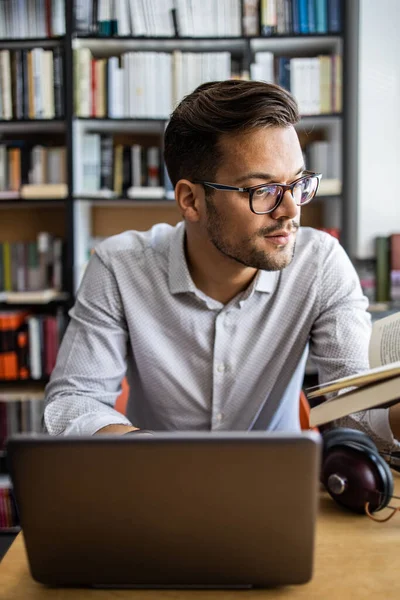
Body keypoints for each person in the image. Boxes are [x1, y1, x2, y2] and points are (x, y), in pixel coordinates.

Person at [44, 79, 400, 452]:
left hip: (276, 489)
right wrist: (151, 456)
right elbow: (73, 402)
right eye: (262, 190)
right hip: (155, 484)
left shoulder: (321, 263)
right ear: (191, 199)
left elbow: (352, 410)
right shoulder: (119, 267)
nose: (292, 210)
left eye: (297, 183)